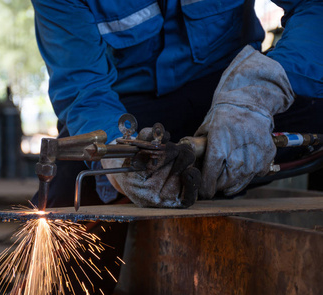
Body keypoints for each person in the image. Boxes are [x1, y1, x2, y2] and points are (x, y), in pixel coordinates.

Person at [30, 0, 323, 209]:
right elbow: (84, 88)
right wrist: (117, 159)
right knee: (63, 203)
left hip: (234, 91)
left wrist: (262, 88)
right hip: (129, 115)